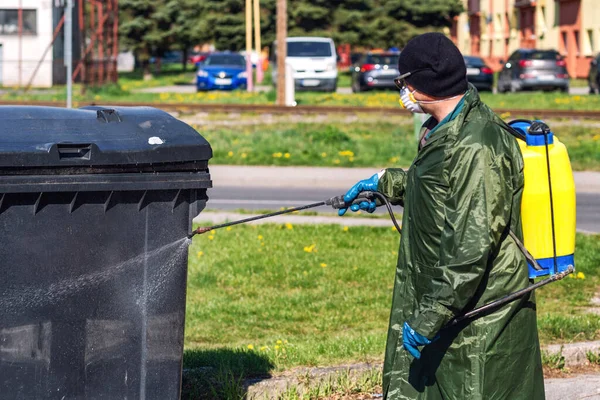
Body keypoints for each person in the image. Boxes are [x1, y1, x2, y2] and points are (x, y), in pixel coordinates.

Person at [339, 33, 545, 399]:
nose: (402, 91)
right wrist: (387, 185)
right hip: (449, 300)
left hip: (479, 314)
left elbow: (473, 244)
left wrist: (431, 315)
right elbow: (442, 189)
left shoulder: (477, 144)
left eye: (403, 82)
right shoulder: (445, 129)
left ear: (423, 83)